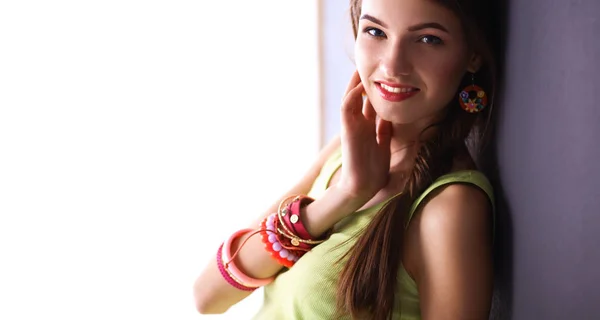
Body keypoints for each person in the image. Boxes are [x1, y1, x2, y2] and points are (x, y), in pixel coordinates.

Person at [194, 0, 500, 318]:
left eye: (428, 39)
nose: (392, 65)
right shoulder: (347, 149)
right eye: (375, 31)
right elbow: (208, 296)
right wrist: (345, 194)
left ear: (473, 54)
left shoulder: (450, 207)